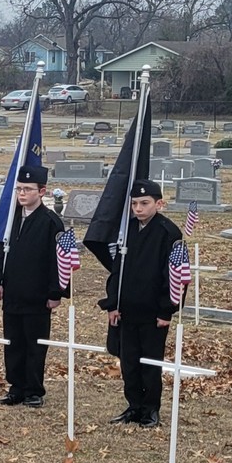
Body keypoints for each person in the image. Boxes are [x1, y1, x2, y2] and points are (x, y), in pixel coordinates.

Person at [99, 178, 182, 429]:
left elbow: (175, 275)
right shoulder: (127, 231)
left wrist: (166, 309)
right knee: (129, 362)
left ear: (159, 203)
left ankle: (150, 409)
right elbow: (117, 271)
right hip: (127, 310)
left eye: (144, 203)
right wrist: (113, 304)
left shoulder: (169, 232)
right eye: (134, 203)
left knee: (149, 363)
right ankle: (133, 405)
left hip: (153, 312)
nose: (138, 208)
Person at [0, 165, 66, 408]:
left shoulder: (51, 222)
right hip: (12, 291)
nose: (22, 194)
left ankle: (33, 389)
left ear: (42, 191)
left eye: (28, 189)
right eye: (19, 189)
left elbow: (58, 261)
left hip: (38, 294)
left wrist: (56, 292)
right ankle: (16, 387)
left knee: (35, 343)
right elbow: (0, 249)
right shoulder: (10, 219)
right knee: (13, 342)